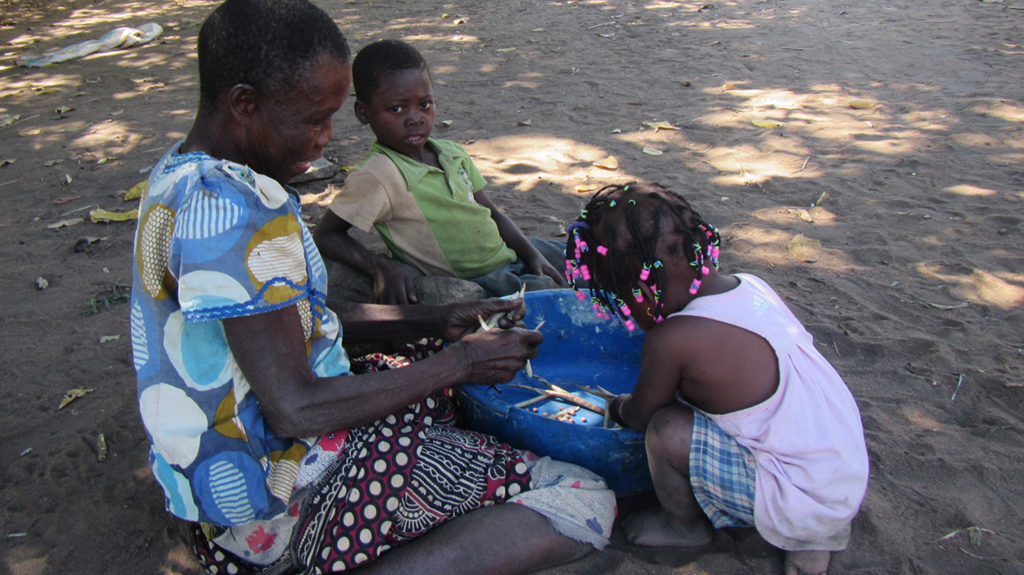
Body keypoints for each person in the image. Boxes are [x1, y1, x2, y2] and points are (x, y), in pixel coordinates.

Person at [129, 1, 615, 573]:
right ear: (244, 104)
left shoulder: (180, 175)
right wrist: (457, 363)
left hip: (216, 480)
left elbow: (289, 320)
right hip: (275, 495)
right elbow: (294, 407)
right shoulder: (234, 212)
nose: (325, 139)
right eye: (313, 119)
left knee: (431, 393)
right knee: (583, 498)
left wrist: (434, 324)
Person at [563, 182, 869, 575]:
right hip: (840, 473)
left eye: (620, 298)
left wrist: (615, 405)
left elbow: (642, 416)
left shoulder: (672, 340)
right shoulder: (751, 286)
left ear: (641, 289)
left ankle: (684, 527)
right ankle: (812, 539)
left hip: (795, 495)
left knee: (666, 429)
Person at [313, 39, 568, 305]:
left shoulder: (452, 153)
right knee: (552, 296)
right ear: (363, 113)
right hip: (482, 281)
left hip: (512, 254)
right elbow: (326, 234)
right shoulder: (378, 174)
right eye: (396, 109)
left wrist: (532, 254)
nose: (415, 118)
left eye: (424, 104)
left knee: (581, 255)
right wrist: (379, 266)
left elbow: (493, 214)